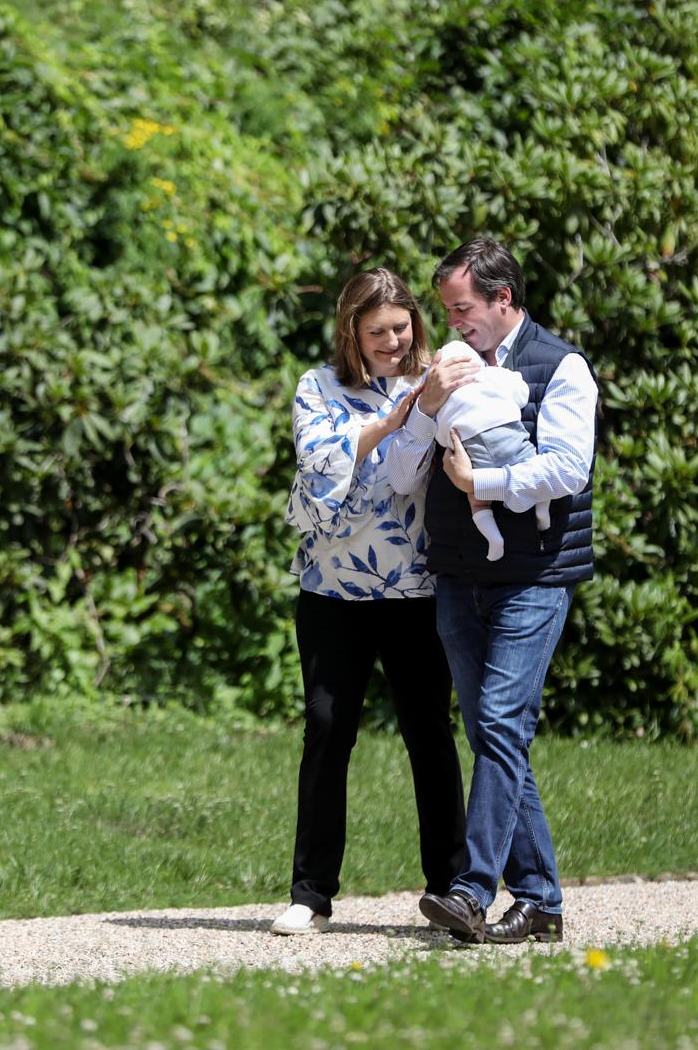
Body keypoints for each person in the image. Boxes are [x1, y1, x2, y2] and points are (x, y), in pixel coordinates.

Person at [407, 236, 598, 945]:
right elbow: (411, 459)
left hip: (534, 577)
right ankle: (542, 901)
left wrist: (480, 484)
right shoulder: (450, 370)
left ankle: (469, 889)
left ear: (502, 300)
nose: (453, 321)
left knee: (501, 724)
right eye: (448, 309)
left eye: (463, 308)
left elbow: (564, 471)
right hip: (460, 575)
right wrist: (426, 402)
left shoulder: (562, 368)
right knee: (494, 732)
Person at [272, 267, 469, 936]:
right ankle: (311, 895)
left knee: (430, 737)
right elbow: (316, 460)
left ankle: (450, 891)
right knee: (328, 733)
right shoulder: (317, 387)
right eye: (377, 330)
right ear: (351, 332)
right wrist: (385, 425)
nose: (392, 340)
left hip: (417, 591)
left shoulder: (432, 378)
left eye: (401, 327)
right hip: (334, 592)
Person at [426, 339, 550, 561]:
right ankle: (542, 508)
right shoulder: (487, 375)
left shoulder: (442, 402)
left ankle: (494, 539)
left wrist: (450, 443)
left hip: (475, 452)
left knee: (477, 499)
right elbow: (520, 392)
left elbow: (442, 436)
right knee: (536, 468)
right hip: (508, 436)